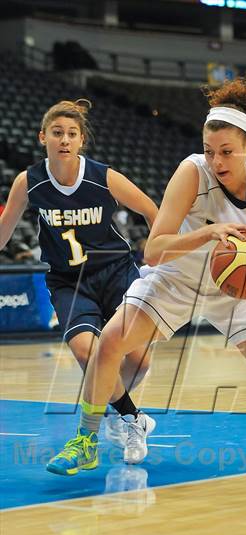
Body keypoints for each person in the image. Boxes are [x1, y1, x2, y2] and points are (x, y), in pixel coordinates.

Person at [47, 80, 246, 494]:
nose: (216, 160)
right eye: (210, 150)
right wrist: (207, 235)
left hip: (240, 291)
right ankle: (86, 440)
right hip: (179, 276)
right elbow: (155, 251)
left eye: (227, 152)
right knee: (109, 343)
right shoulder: (191, 171)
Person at [0, 99, 158, 456]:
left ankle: (115, 414)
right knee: (90, 353)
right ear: (44, 137)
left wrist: (158, 253)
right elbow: (3, 233)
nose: (65, 140)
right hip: (69, 281)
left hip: (116, 272)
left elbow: (151, 210)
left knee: (140, 361)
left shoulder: (103, 176)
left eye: (72, 134)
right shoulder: (29, 181)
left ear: (81, 140)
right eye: (57, 133)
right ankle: (132, 418)